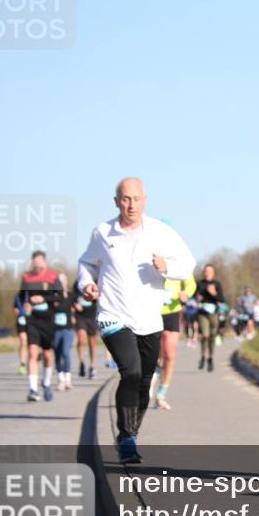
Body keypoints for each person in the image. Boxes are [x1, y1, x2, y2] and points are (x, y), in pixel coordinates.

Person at [77, 177, 195, 463]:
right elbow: (86, 264)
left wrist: (169, 267)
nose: (131, 205)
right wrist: (86, 284)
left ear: (145, 200)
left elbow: (188, 263)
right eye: (125, 199)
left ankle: (131, 431)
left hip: (149, 318)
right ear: (116, 201)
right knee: (129, 371)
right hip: (112, 314)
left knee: (143, 380)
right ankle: (127, 437)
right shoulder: (103, 232)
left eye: (136, 199)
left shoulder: (160, 232)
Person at [19, 250, 64, 402]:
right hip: (33, 320)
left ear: (44, 262)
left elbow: (60, 296)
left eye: (40, 262)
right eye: (35, 262)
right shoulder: (26, 277)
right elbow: (20, 296)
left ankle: (46, 383)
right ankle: (32, 389)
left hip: (48, 320)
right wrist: (24, 305)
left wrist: (43, 298)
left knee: (47, 354)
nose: (37, 264)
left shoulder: (52, 277)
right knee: (32, 353)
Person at [153, 271, 196, 410]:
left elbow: (190, 282)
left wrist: (186, 293)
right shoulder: (148, 254)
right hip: (152, 309)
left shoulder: (176, 256)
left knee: (170, 355)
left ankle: (161, 394)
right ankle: (151, 377)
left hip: (172, 310)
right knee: (154, 353)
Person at [194, 264, 224, 372]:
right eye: (206, 271)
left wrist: (214, 293)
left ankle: (210, 358)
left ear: (213, 272)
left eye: (210, 271)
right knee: (205, 335)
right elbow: (193, 297)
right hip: (203, 313)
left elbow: (221, 299)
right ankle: (202, 356)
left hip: (214, 313)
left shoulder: (217, 284)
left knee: (212, 336)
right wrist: (197, 299)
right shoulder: (199, 283)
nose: (207, 273)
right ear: (204, 272)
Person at [52, 274, 76, 390]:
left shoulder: (70, 296)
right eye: (59, 281)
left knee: (65, 353)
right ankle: (60, 379)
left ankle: (68, 379)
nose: (61, 283)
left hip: (68, 329)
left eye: (63, 280)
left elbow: (76, 306)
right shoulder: (52, 297)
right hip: (55, 330)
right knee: (57, 354)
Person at [72, 280, 99, 380]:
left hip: (91, 316)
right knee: (81, 339)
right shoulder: (77, 284)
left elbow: (99, 297)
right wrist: (74, 305)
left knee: (92, 343)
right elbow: (73, 298)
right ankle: (82, 362)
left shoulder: (94, 282)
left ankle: (92, 366)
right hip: (80, 317)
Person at [13, 292, 28, 374]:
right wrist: (16, 311)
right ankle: (23, 364)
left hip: (33, 320)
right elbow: (15, 307)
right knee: (23, 341)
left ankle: (36, 358)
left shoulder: (34, 293)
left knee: (33, 344)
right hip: (21, 320)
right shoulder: (18, 295)